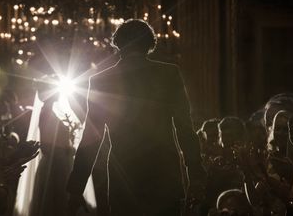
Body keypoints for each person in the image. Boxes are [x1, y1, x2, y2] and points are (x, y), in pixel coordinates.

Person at [67, 19, 204, 215]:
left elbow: (91, 137)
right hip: (164, 174)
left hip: (124, 176)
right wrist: (196, 173)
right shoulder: (169, 73)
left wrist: (76, 187)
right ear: (150, 44)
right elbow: (185, 127)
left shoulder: (101, 80)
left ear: (118, 44)